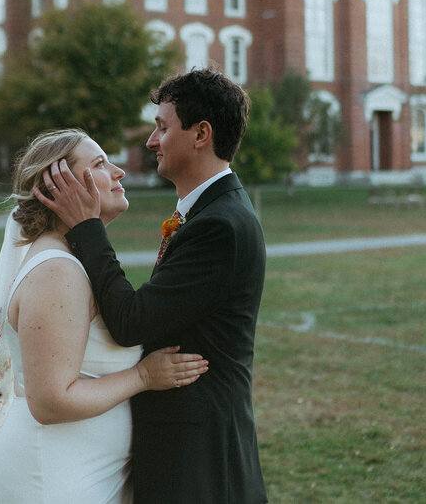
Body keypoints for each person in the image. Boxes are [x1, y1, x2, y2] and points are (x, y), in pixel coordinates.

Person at [35, 68, 268, 503]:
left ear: (201, 134)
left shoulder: (220, 225)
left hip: (199, 458)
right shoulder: (209, 213)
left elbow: (131, 321)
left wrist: (86, 226)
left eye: (162, 127)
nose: (150, 141)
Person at [0, 129, 209, 504]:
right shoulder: (57, 271)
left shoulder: (72, 259)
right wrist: (143, 376)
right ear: (61, 187)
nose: (119, 172)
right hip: (50, 477)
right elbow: (51, 400)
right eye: (101, 164)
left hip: (79, 472)